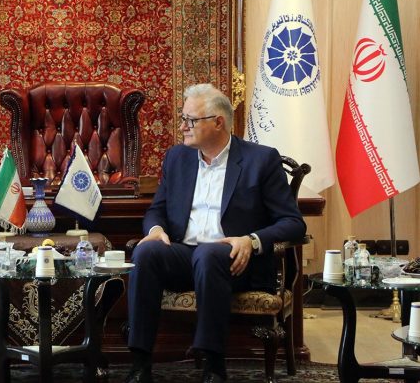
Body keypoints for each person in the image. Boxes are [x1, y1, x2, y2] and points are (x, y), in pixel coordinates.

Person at [125, 84, 306, 383]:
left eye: (190, 120)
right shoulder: (177, 158)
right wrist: (156, 230)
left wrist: (251, 240)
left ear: (218, 122)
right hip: (185, 256)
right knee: (146, 251)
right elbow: (157, 209)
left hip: (235, 263)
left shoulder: (260, 160)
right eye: (183, 118)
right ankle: (140, 364)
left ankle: (214, 365)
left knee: (209, 254)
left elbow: (293, 223)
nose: (182, 127)